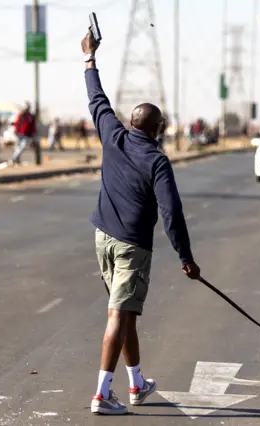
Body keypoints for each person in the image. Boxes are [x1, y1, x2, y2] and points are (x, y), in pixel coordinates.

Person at [81, 30, 201, 416]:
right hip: (132, 246)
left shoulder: (113, 135)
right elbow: (171, 213)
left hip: (102, 238)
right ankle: (102, 394)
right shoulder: (158, 161)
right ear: (156, 129)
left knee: (125, 310)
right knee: (119, 313)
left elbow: (97, 99)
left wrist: (89, 58)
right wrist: (186, 257)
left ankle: (136, 384)